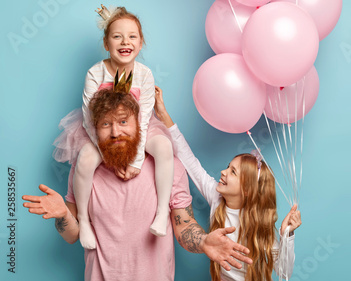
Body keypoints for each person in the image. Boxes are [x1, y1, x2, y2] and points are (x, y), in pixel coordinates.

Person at [23, 88, 252, 281]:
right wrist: (63, 214)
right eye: (106, 124)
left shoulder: (169, 167)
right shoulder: (84, 171)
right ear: (95, 129)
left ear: (139, 125)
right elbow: (72, 235)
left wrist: (203, 242)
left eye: (123, 121)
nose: (115, 132)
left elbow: (183, 226)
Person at [52, 5, 174, 250]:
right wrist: (110, 155)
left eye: (132, 36)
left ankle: (161, 214)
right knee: (86, 159)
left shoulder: (145, 75)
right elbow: (89, 119)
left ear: (141, 43)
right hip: (101, 131)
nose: (124, 41)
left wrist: (135, 160)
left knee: (163, 146)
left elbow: (146, 117)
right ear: (106, 43)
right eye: (117, 36)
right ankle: (84, 221)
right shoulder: (95, 73)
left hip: (136, 128)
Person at [154, 87, 302, 281]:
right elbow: (190, 161)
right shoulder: (217, 199)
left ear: (247, 190)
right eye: (228, 167)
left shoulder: (261, 226)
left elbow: (284, 272)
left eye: (233, 172)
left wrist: (287, 235)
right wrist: (163, 114)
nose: (223, 172)